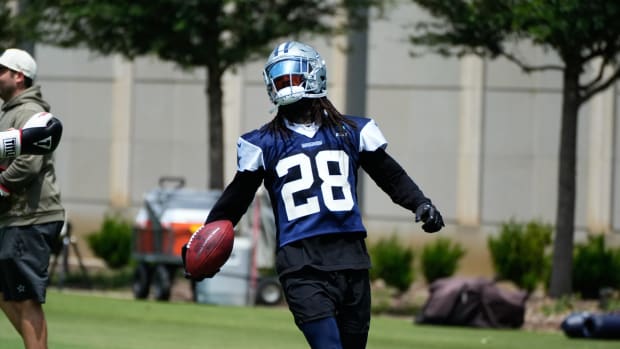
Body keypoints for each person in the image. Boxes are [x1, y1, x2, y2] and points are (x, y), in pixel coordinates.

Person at [185, 41, 444, 349]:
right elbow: (235, 199)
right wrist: (198, 248)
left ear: (315, 76)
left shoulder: (351, 131)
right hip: (301, 263)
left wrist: (420, 202)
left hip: (351, 258)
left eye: (292, 78)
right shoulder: (263, 143)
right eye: (279, 81)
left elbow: (389, 175)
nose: (286, 86)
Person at [0, 48, 65, 349]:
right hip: (16, 216)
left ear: (19, 76)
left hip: (30, 217)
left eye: (2, 70)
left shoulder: (28, 112)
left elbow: (29, 161)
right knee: (6, 293)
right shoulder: (11, 111)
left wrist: (1, 187)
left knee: (25, 299)